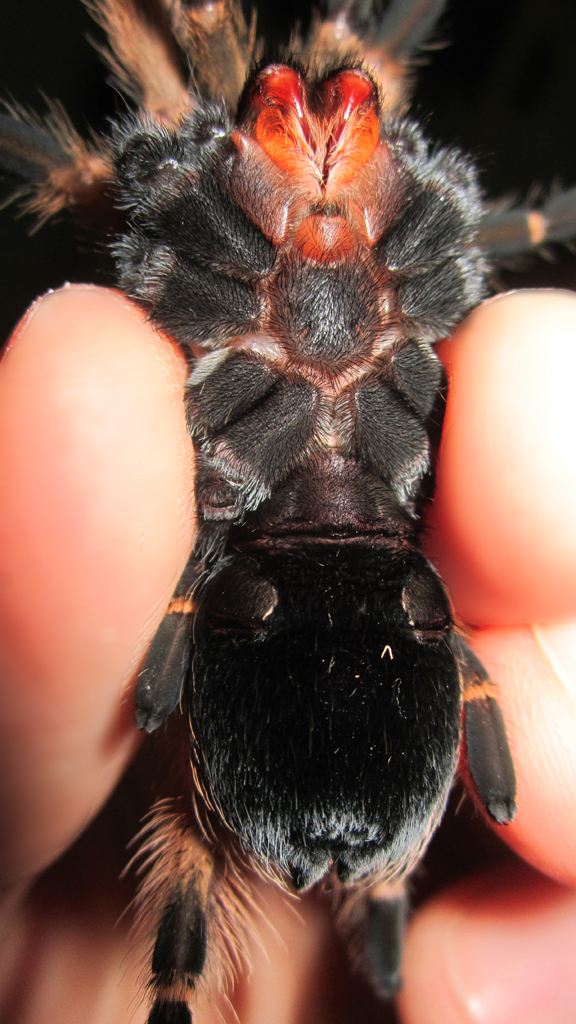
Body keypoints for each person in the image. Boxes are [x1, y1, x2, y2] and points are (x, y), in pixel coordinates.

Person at [0, 285, 575, 1024]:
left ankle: (185, 988)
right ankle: (367, 912)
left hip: (282, 584)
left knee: (192, 828)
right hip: (378, 589)